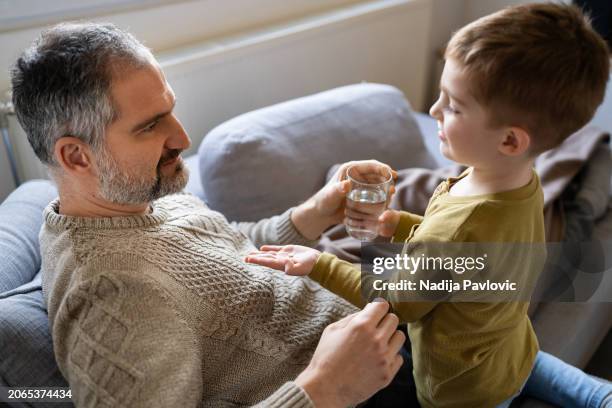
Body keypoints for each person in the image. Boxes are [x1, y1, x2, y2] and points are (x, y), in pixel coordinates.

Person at [10, 22, 408, 407]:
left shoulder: (138, 197)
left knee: (463, 256)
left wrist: (315, 213)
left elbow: (227, 249)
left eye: (169, 110)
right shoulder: (113, 296)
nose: (182, 138)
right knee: (463, 256)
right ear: (76, 155)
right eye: (150, 126)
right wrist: (323, 389)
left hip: (383, 314)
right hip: (385, 384)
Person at [245, 3, 612, 408]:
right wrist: (397, 224)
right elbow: (466, 247)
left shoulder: (457, 228)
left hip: (465, 390)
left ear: (510, 141)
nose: (434, 110)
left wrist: (318, 263)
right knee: (564, 382)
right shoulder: (522, 181)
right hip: (512, 346)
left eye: (453, 105)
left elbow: (399, 301)